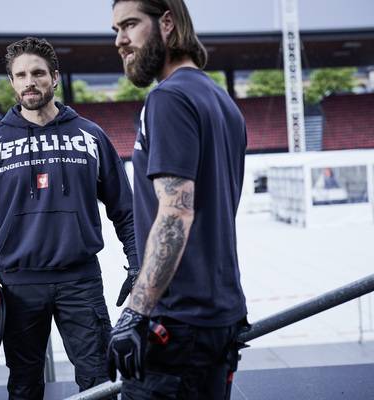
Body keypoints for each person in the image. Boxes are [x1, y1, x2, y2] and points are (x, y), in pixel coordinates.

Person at [0, 37, 139, 400]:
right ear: (12, 82)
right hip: (18, 284)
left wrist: (137, 261)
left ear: (55, 77)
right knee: (24, 385)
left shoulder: (90, 136)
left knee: (99, 382)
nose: (29, 82)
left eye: (37, 73)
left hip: (80, 281)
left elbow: (125, 209)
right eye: (20, 75)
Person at [108, 1, 249, 398]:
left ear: (167, 23)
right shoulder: (222, 101)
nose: (120, 40)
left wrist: (136, 310)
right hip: (220, 316)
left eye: (130, 25)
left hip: (177, 325)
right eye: (115, 30)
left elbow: (176, 213)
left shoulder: (168, 99)